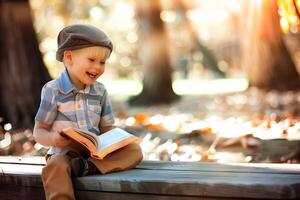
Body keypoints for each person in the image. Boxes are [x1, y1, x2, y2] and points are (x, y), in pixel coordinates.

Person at [33, 24, 143, 200]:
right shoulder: (53, 91)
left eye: (102, 62)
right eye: (92, 60)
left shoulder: (100, 91)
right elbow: (39, 131)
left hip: (94, 154)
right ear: (69, 58)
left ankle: (88, 167)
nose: (98, 67)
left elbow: (107, 127)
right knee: (55, 167)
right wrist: (54, 139)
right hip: (65, 153)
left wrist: (116, 140)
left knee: (134, 150)